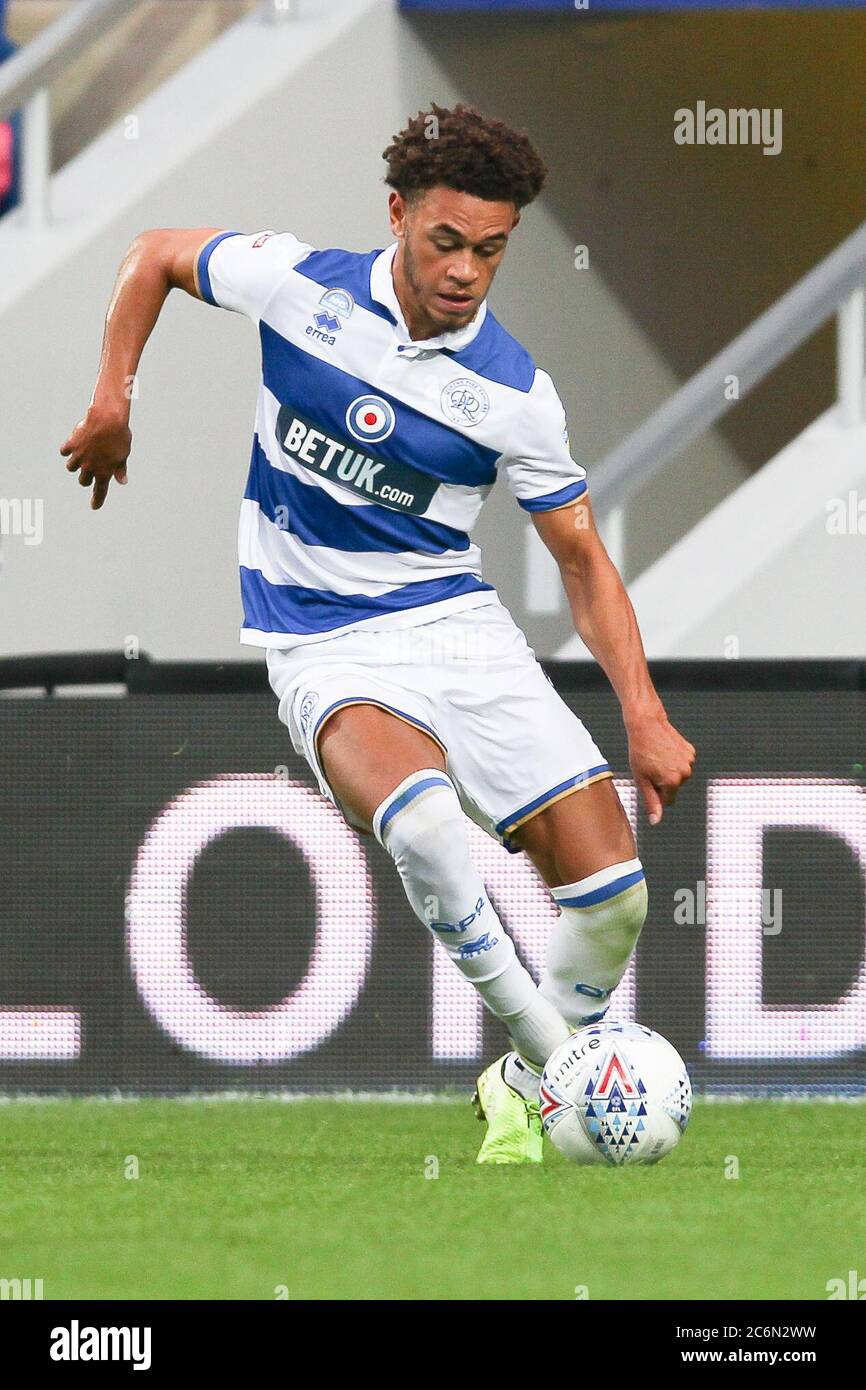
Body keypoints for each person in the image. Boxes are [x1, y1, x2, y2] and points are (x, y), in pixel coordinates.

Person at [61, 103, 695, 1163]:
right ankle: (565, 1086)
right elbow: (152, 256)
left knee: (614, 898)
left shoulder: (513, 399)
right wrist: (114, 399)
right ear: (396, 214)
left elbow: (581, 561)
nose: (463, 272)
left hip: (454, 626)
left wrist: (643, 711)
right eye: (445, 241)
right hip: (320, 639)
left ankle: (521, 1079)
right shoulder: (296, 282)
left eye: (488, 250)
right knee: (427, 831)